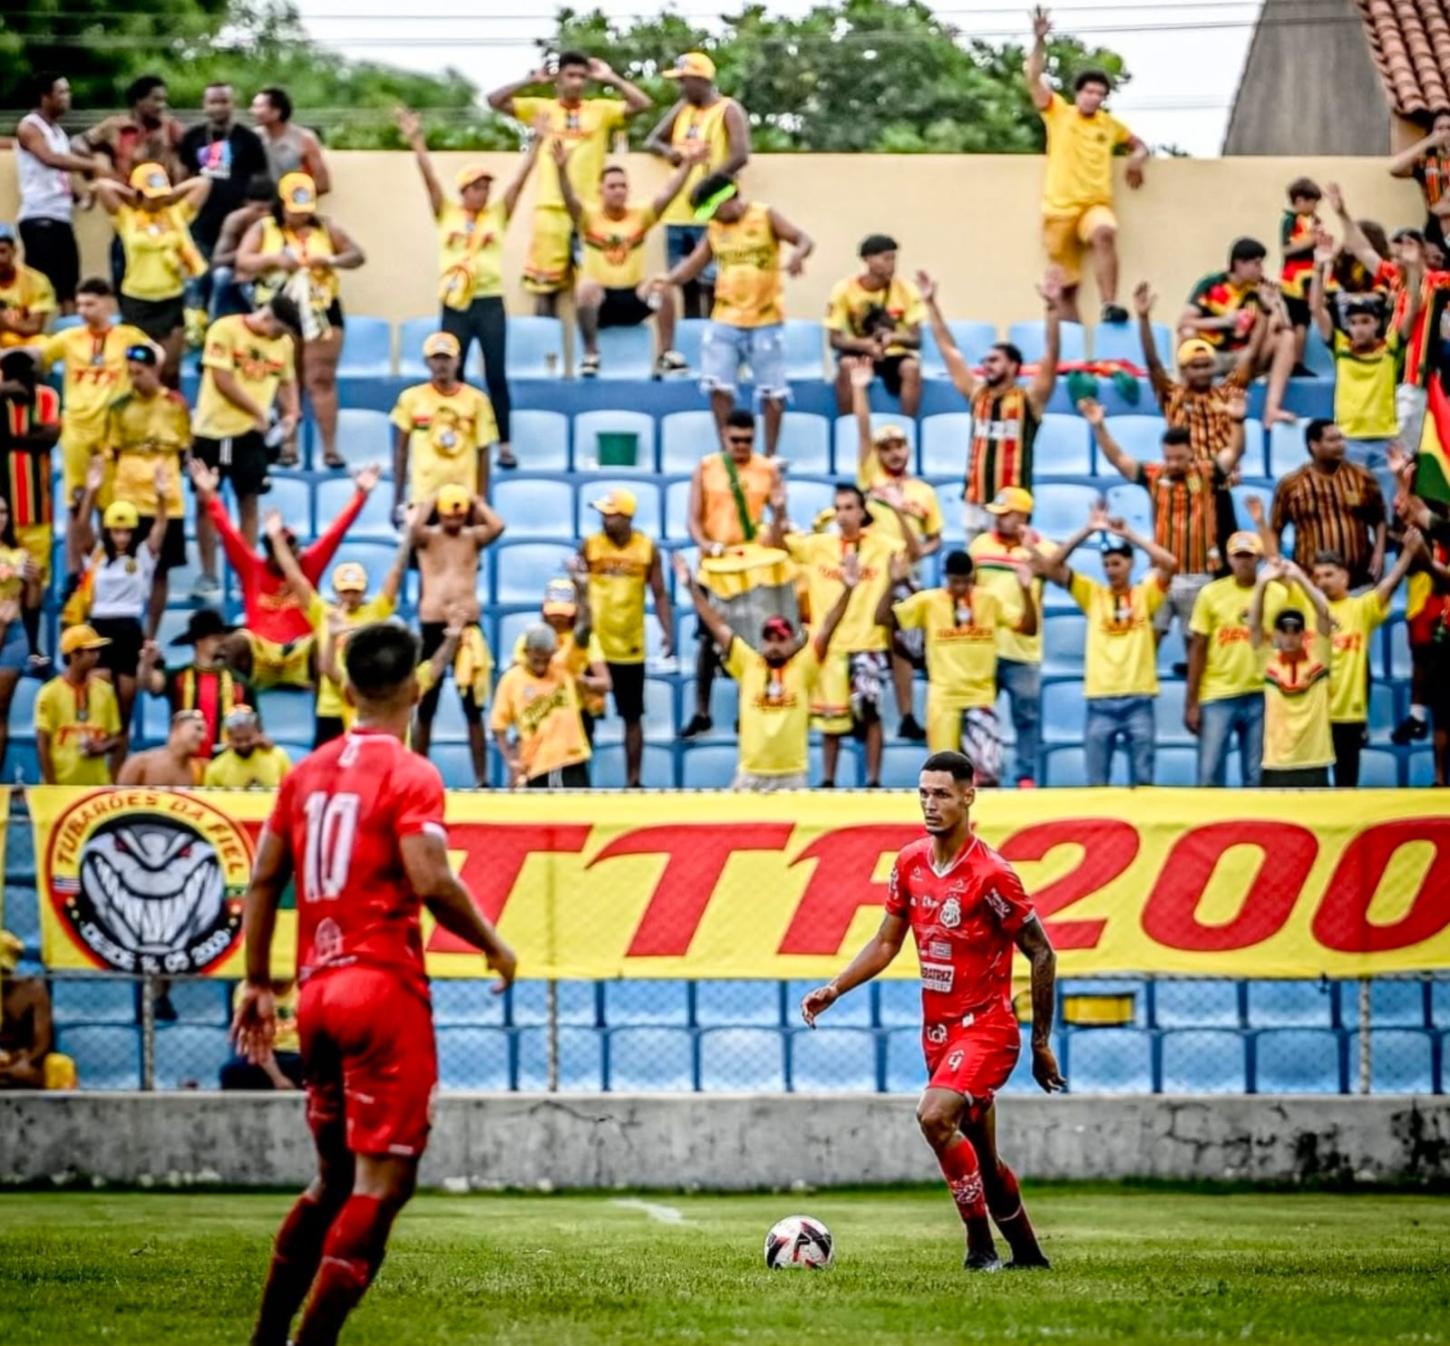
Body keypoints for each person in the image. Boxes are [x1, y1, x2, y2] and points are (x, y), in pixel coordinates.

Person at [232, 620, 516, 1346]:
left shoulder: (304, 772)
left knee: (332, 1182)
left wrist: (256, 982)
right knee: (382, 1186)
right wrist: (493, 943)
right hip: (381, 991)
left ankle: (268, 1338)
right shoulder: (411, 771)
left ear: (345, 686)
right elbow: (430, 879)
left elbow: (265, 875)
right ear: (417, 687)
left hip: (316, 995)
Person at [801, 750, 1060, 1271]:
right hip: (939, 1033)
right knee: (985, 1162)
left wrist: (1039, 1042)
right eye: (923, 793)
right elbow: (885, 942)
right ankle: (1029, 1256)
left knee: (935, 1117)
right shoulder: (910, 863)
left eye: (941, 793)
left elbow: (1042, 950)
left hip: (988, 1028)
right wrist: (835, 989)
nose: (929, 803)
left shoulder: (992, 875)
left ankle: (978, 1248)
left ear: (968, 795)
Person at [396, 108, 542, 473]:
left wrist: (536, 144)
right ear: (464, 190)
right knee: (452, 375)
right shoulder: (446, 212)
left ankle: (503, 442)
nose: (484, 191)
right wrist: (417, 142)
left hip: (490, 301)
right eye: (477, 186)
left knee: (496, 374)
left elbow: (519, 184)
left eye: (486, 186)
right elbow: (429, 180)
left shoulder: (497, 214)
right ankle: (455, 437)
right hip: (455, 303)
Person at [646, 174, 813, 458]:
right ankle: (729, 451)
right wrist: (667, 280)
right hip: (725, 318)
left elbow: (803, 239)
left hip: (765, 318)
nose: (713, 215)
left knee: (773, 392)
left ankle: (769, 455)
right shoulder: (714, 229)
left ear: (727, 198)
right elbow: (692, 266)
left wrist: (798, 255)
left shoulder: (765, 215)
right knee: (717, 386)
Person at [187, 457, 376, 689]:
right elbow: (226, 530)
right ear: (272, 553)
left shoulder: (309, 562)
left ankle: (324, 710)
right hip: (261, 653)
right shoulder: (251, 566)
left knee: (327, 641)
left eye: (295, 550)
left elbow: (337, 530)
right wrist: (209, 494)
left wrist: (361, 495)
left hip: (301, 650)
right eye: (287, 552)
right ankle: (231, 701)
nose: (294, 557)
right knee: (236, 642)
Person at [675, 549, 855, 791]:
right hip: (750, 773)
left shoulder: (803, 667)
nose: (774, 646)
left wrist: (849, 590)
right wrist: (690, 587)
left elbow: (828, 628)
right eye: (769, 639)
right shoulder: (747, 663)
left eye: (781, 640)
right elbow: (716, 624)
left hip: (792, 775)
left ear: (793, 642)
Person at [487, 52, 652, 314]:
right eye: (571, 75)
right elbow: (494, 100)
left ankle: (590, 352)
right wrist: (531, 80)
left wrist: (611, 78)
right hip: (550, 209)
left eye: (582, 77)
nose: (577, 82)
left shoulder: (601, 110)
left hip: (589, 212)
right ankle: (544, 350)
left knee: (592, 287)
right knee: (545, 286)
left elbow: (643, 104)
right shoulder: (541, 109)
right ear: (558, 80)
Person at [768, 483, 907, 789]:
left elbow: (915, 551)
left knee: (870, 711)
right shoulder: (820, 545)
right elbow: (779, 545)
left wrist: (898, 510)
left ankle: (873, 781)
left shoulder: (883, 546)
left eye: (849, 508)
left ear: (862, 512)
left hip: (867, 642)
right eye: (838, 508)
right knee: (830, 720)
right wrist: (778, 510)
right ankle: (829, 780)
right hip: (828, 645)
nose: (843, 515)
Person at [1080, 401, 1247, 645]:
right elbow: (1117, 458)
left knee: (1197, 646)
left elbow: (1235, 452)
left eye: (1180, 458)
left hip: (1199, 573)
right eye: (1168, 458)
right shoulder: (1153, 475)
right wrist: (1099, 426)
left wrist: (1238, 422)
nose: (1174, 463)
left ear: (1191, 452)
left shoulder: (1207, 472)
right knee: (1146, 640)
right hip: (1160, 574)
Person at [235, 172, 364, 470]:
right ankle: (288, 443)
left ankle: (330, 448)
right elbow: (243, 261)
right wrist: (275, 260)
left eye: (306, 209)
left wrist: (330, 260)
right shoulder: (264, 228)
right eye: (294, 210)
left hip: (322, 307)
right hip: (283, 307)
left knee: (321, 378)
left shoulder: (326, 228)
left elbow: (356, 255)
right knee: (286, 376)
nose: (301, 216)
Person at [919, 269, 1061, 540]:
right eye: (984, 361)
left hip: (1014, 506)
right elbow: (949, 350)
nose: (986, 365)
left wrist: (1052, 308)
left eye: (994, 360)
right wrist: (931, 304)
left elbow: (1052, 356)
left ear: (1013, 365)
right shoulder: (977, 394)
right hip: (975, 500)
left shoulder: (1029, 399)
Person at [1043, 504, 1179, 787]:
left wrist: (1130, 535)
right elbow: (1052, 565)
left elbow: (1170, 564)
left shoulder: (1145, 595)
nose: (1110, 570)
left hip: (1138, 698)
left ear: (1130, 564)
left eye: (1117, 563)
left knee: (1144, 783)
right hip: (1100, 699)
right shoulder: (1093, 594)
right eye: (1106, 564)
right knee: (1096, 783)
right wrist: (1088, 530)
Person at [1025, 6, 1145, 324]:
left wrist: (1136, 159)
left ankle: (1109, 304)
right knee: (1067, 290)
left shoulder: (1109, 125)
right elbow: (1033, 77)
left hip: (1094, 205)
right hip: (1059, 209)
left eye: (1100, 94)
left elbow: (1139, 144)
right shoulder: (1059, 113)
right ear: (1078, 93)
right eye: (1089, 91)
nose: (1093, 98)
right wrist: (1039, 41)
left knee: (1105, 231)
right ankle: (1073, 349)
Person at [880, 550, 1039, 785]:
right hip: (944, 699)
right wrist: (892, 582)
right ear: (946, 577)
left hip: (980, 696)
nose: (961, 587)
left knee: (988, 774)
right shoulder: (929, 601)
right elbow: (881, 618)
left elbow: (1029, 628)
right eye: (956, 581)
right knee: (942, 778)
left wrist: (1026, 590)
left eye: (966, 581)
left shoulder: (989, 601)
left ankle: (986, 822)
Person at [846, 355, 942, 738]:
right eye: (886, 448)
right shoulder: (871, 478)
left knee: (901, 646)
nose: (893, 453)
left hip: (906, 573)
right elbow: (863, 430)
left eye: (899, 447)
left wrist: (906, 519)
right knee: (868, 640)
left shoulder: (924, 492)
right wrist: (859, 389)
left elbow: (931, 540)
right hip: (873, 572)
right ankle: (861, 712)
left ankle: (905, 716)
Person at [681, 408, 788, 736]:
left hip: (751, 567)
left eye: (747, 440)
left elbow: (779, 520)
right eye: (735, 440)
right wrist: (706, 545)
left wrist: (781, 508)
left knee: (752, 640)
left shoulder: (766, 469)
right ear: (725, 436)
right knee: (707, 639)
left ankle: (749, 708)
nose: (741, 446)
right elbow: (693, 520)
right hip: (715, 566)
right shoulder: (707, 467)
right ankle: (702, 710)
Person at [555, 140, 700, 377]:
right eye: (612, 186)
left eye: (623, 186)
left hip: (634, 299)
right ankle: (591, 355)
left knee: (662, 287)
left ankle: (667, 354)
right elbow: (569, 198)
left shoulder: (641, 216)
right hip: (600, 303)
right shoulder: (588, 217)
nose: (618, 190)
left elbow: (669, 192)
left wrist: (688, 165)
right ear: (600, 190)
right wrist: (561, 168)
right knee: (585, 287)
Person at [190, 296, 303, 582]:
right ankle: (208, 572)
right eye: (278, 330)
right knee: (206, 501)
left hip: (251, 435)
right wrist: (259, 411)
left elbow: (287, 381)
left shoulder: (283, 345)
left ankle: (246, 572)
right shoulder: (225, 330)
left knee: (249, 501)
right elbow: (221, 378)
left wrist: (292, 413)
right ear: (267, 318)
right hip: (213, 429)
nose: (278, 338)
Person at [1310, 228, 1421, 499]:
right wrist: (1319, 266)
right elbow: (1316, 308)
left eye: (1366, 322)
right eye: (1354, 322)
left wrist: (1413, 268)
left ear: (1377, 324)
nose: (1359, 328)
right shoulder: (1340, 347)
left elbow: (1414, 307)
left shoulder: (1390, 348)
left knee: (1385, 508)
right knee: (1353, 509)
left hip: (1386, 441)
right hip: (1348, 442)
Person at [644, 52, 751, 320]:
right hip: (676, 212)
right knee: (684, 284)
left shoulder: (728, 109)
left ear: (701, 80)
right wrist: (671, 154)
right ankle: (693, 341)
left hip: (710, 212)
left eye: (685, 81)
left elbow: (740, 155)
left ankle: (715, 337)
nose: (681, 87)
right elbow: (653, 140)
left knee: (713, 282)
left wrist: (707, 185)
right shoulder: (683, 109)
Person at [411, 485, 506, 782]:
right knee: (425, 705)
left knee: (473, 707)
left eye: (459, 516)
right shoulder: (428, 539)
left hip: (467, 628)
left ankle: (481, 778)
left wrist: (476, 499)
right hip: (433, 624)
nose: (453, 522)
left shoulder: (472, 538)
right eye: (448, 516)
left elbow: (498, 526)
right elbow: (412, 528)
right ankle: (416, 774)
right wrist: (431, 498)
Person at [579, 488, 674, 788]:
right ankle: (578, 781)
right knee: (584, 717)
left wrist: (668, 631)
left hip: (629, 645)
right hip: (592, 645)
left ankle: (633, 781)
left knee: (632, 716)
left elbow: (659, 593)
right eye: (603, 514)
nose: (604, 519)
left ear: (626, 516)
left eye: (610, 514)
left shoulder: (646, 549)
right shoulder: (591, 546)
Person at [35, 278, 150, 520]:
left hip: (112, 431)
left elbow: (155, 357)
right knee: (76, 502)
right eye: (79, 305)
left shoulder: (128, 337)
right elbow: (39, 359)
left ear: (108, 304)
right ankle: (77, 558)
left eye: (90, 304)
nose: (82, 311)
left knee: (113, 507)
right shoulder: (69, 338)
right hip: (77, 430)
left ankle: (110, 557)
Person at [66, 471, 170, 732]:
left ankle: (119, 767)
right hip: (99, 627)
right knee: (96, 699)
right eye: (116, 531)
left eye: (126, 531)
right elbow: (81, 529)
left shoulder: (143, 555)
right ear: (108, 530)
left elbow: (160, 525)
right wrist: (91, 491)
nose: (121, 536)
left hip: (129, 628)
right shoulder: (98, 553)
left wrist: (161, 496)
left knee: (124, 707)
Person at [1311, 537, 1418, 788]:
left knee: (1346, 783)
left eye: (1329, 574)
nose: (1323, 581)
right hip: (1313, 713)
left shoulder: (1359, 609)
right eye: (1317, 576)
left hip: (1349, 713)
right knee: (1314, 789)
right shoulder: (1309, 611)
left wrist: (1408, 555)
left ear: (1344, 577)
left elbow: (1389, 585)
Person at [96, 344, 189, 625]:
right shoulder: (119, 406)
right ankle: (128, 625)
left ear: (154, 370)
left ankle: (150, 637)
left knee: (161, 570)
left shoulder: (176, 404)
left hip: (166, 498)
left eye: (140, 373)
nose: (134, 378)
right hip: (129, 499)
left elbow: (185, 447)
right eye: (130, 373)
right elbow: (110, 450)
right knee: (125, 564)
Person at [968, 488, 1054, 789]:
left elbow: (1059, 572)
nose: (998, 520)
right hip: (984, 647)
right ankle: (983, 771)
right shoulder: (979, 546)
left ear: (1022, 516)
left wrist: (1033, 551)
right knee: (980, 715)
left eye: (1005, 515)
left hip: (1024, 650)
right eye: (997, 515)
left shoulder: (1042, 548)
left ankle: (1025, 775)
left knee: (1026, 718)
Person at [92, 162, 210, 383]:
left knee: (169, 369)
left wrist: (169, 194)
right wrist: (132, 195)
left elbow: (203, 183)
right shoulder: (126, 217)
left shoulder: (176, 214)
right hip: (137, 300)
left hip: (170, 298)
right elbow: (103, 186)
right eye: (151, 195)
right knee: (136, 368)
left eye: (159, 195)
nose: (156, 200)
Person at [1185, 529, 1285, 788]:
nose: (1243, 561)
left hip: (1260, 693)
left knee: (1256, 777)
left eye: (1249, 556)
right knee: (1209, 774)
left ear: (1258, 558)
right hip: (1218, 693)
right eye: (1238, 556)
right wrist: (1192, 702)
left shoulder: (1278, 594)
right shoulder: (1211, 593)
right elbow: (1198, 648)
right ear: (1229, 559)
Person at [1134, 282, 1265, 466]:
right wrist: (1143, 318)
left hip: (1221, 478)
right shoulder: (1172, 395)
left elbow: (1251, 355)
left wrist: (1265, 314)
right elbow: (1153, 363)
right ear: (1184, 370)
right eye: (1195, 367)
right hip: (1186, 477)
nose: (1202, 371)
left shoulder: (1227, 392)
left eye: (1206, 366)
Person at [179, 82, 269, 334]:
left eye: (224, 101)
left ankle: (231, 332)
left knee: (229, 281)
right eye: (213, 101)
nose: (218, 107)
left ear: (233, 104)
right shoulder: (193, 137)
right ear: (204, 105)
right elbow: (183, 176)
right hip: (199, 222)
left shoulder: (249, 140)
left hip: (238, 225)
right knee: (198, 278)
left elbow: (260, 182)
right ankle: (196, 332)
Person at [1180, 238, 1296, 427]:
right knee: (1187, 333)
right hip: (1211, 357)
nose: (1261, 270)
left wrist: (1274, 306)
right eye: (1256, 264)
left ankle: (1272, 409)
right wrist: (1225, 320)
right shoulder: (1211, 284)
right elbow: (1184, 321)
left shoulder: (1258, 290)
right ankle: (1188, 399)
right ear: (1239, 264)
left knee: (1287, 337)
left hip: (1245, 357)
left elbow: (1285, 326)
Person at [389, 331, 498, 518]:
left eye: (447, 358)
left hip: (463, 497)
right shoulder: (411, 398)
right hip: (423, 497)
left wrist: (480, 499)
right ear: (427, 362)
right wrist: (398, 498)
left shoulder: (477, 400)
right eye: (436, 358)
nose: (442, 364)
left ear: (458, 361)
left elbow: (484, 452)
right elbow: (401, 450)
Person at [1269, 419, 1386, 589]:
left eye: (1341, 439)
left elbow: (1379, 519)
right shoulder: (1291, 485)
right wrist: (1276, 564)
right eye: (1332, 440)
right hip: (1310, 584)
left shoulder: (1362, 478)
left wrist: (1379, 553)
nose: (1340, 445)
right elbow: (1275, 529)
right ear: (1313, 445)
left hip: (1358, 580)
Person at [1250, 559, 1335, 788]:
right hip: (1277, 763)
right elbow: (1255, 625)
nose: (1289, 637)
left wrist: (1300, 578)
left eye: (1295, 630)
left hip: (1314, 761)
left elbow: (1324, 612)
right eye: (1284, 631)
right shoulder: (1268, 661)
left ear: (1302, 633)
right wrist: (1260, 585)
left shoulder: (1319, 657)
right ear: (1276, 634)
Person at [16, 73, 96, 315]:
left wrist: (81, 197)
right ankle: (26, 341)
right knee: (37, 288)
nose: (67, 97)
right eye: (62, 92)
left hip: (61, 217)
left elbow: (60, 177)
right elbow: (50, 159)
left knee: (68, 286)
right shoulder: (29, 126)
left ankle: (70, 340)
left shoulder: (59, 133)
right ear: (45, 97)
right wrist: (92, 165)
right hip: (39, 216)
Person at [0, 348, 59, 669]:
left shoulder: (47, 396)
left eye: (28, 373)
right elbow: (35, 438)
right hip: (2, 516)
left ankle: (33, 648)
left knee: (35, 582)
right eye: (14, 374)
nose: (23, 381)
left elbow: (49, 436)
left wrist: (8, 439)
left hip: (37, 511)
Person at [827, 235, 926, 417]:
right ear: (867, 260)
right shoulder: (844, 290)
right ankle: (848, 424)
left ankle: (907, 426)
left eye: (893, 258)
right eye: (885, 258)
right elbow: (834, 339)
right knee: (847, 364)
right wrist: (864, 345)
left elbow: (916, 339)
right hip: (859, 351)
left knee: (912, 367)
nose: (891, 264)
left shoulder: (906, 289)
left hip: (893, 353)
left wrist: (892, 338)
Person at [137, 609, 250, 761]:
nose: (223, 643)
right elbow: (148, 683)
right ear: (199, 641)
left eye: (224, 637)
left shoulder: (240, 682)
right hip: (185, 765)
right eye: (216, 638)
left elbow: (255, 728)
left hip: (227, 765)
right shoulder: (179, 677)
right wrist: (147, 663)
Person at [491, 623, 594, 788]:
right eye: (536, 660)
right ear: (525, 652)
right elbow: (499, 726)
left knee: (577, 812)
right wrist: (511, 761)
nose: (542, 665)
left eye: (546, 659)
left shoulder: (562, 667)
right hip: (536, 765)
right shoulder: (511, 680)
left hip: (569, 759)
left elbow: (582, 638)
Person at [36, 624, 124, 786]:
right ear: (74, 654)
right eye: (91, 651)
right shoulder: (49, 693)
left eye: (97, 650)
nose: (97, 656)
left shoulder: (105, 691)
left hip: (97, 786)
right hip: (60, 784)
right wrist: (51, 786)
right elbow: (43, 744)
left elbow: (118, 739)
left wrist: (102, 747)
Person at [0, 930, 70, 1090]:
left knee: (57, 1067)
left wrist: (26, 1058)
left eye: (3, 971)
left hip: (20, 1059)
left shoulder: (32, 990)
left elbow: (42, 1041)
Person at [0, 497, 40, 775]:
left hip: (13, 632)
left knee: (0, 714)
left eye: (3, 511)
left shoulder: (20, 554)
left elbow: (32, 605)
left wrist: (35, 582)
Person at [208, 173, 274, 321]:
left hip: (266, 273)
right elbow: (217, 260)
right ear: (246, 204)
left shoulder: (277, 223)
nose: (264, 216)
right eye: (259, 210)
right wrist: (244, 255)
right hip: (236, 271)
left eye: (268, 210)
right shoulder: (235, 221)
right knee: (221, 275)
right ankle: (214, 321)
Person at [220, 978, 301, 1089]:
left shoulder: (304, 986)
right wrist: (278, 1078)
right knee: (231, 1072)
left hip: (298, 1055)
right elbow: (255, 1039)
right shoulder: (248, 989)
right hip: (263, 1057)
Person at [249, 87, 330, 194]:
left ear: (276, 111)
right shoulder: (252, 137)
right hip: (261, 202)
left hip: (294, 201)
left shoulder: (305, 138)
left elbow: (323, 183)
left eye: (258, 107)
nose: (252, 111)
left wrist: (295, 194)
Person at [1279, 177, 1322, 368]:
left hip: (1310, 275)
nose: (1315, 207)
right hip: (1293, 278)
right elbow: (1286, 249)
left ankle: (1299, 361)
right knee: (1296, 320)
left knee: (1305, 320)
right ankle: (1292, 361)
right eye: (1312, 202)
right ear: (1299, 201)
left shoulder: (1314, 221)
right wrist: (1311, 240)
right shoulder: (1290, 220)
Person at [1389, 107, 1450, 233]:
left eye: (1449, 128)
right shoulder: (1426, 162)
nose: (1444, 133)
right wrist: (1428, 142)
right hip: (1435, 225)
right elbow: (1395, 168)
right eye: (1440, 128)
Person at [203, 705, 292, 789]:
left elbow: (292, 789)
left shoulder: (279, 756)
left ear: (258, 733)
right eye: (238, 740)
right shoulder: (215, 769)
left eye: (248, 739)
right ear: (229, 738)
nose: (243, 744)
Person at [0, 222, 57, 348]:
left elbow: (34, 327)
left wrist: (4, 323)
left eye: (2, 251)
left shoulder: (36, 281)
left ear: (14, 251)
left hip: (23, 342)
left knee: (43, 344)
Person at [116, 707, 207, 786]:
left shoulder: (199, 770)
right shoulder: (140, 763)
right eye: (198, 729)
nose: (204, 737)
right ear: (177, 727)